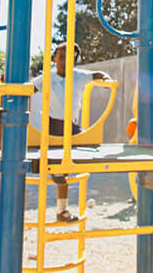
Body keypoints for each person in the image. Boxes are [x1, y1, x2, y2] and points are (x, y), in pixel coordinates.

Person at [29, 42, 110, 223]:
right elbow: (29, 88)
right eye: (61, 57)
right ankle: (62, 209)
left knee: (88, 144)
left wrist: (105, 79)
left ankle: (62, 210)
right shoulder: (47, 78)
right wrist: (9, 84)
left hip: (71, 126)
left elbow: (96, 75)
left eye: (70, 58)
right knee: (59, 167)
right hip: (54, 125)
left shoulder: (78, 76)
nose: (66, 61)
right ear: (54, 59)